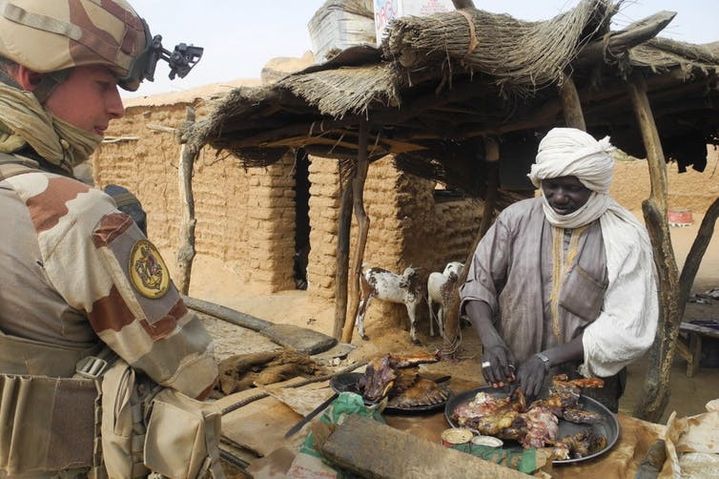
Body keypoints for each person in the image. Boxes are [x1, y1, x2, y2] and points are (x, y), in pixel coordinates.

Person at [0, 1, 219, 477]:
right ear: (32, 76)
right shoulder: (71, 210)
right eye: (103, 85)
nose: (117, 108)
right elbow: (189, 368)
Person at [459, 127, 659, 412]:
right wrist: (491, 341)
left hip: (586, 384)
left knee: (581, 448)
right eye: (551, 185)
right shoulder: (515, 220)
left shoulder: (622, 236)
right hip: (513, 372)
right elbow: (479, 283)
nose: (559, 197)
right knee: (509, 439)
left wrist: (547, 359)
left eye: (572, 187)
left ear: (594, 186)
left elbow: (626, 325)